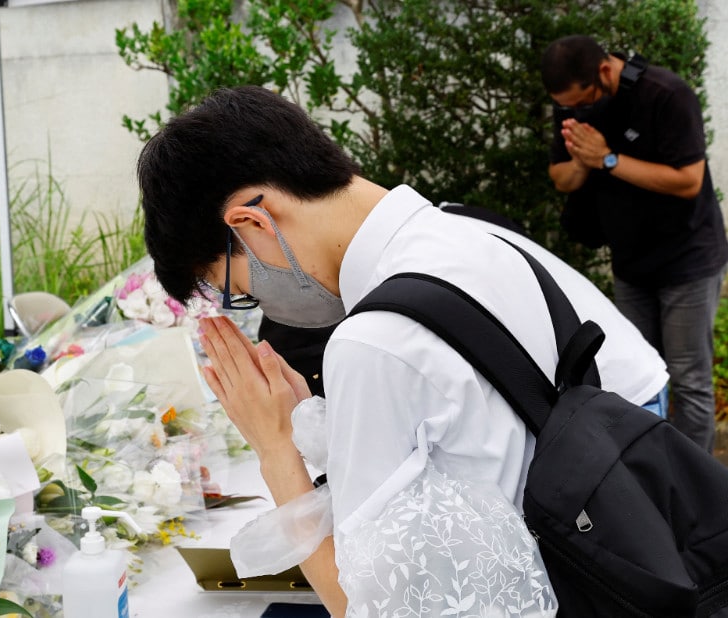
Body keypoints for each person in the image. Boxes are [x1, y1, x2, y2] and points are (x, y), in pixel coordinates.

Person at [136, 86, 668, 616]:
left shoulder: (375, 341)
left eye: (237, 287)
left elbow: (364, 607)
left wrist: (275, 447)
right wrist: (317, 431)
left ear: (252, 223)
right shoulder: (470, 240)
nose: (258, 303)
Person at [541, 35, 728, 452]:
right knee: (637, 372)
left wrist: (608, 160)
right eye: (566, 106)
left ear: (605, 71)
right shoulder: (574, 106)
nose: (573, 111)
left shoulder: (666, 95)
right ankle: (651, 476)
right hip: (630, 262)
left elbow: (688, 181)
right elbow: (562, 178)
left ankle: (700, 488)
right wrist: (585, 160)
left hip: (688, 260)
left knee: (689, 378)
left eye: (580, 101)